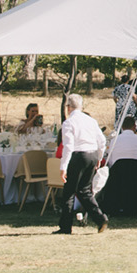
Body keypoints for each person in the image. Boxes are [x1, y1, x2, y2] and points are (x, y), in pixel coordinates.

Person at [53, 93, 106, 234]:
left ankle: (65, 226)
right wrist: (99, 157)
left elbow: (68, 146)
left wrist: (63, 167)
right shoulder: (90, 121)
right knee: (84, 191)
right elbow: (102, 141)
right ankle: (100, 218)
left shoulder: (69, 123)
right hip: (92, 154)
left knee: (69, 192)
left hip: (78, 155)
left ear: (68, 108)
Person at [101, 116, 137, 218]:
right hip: (136, 174)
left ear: (122, 127)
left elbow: (111, 161)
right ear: (134, 126)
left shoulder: (114, 141)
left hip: (118, 174)